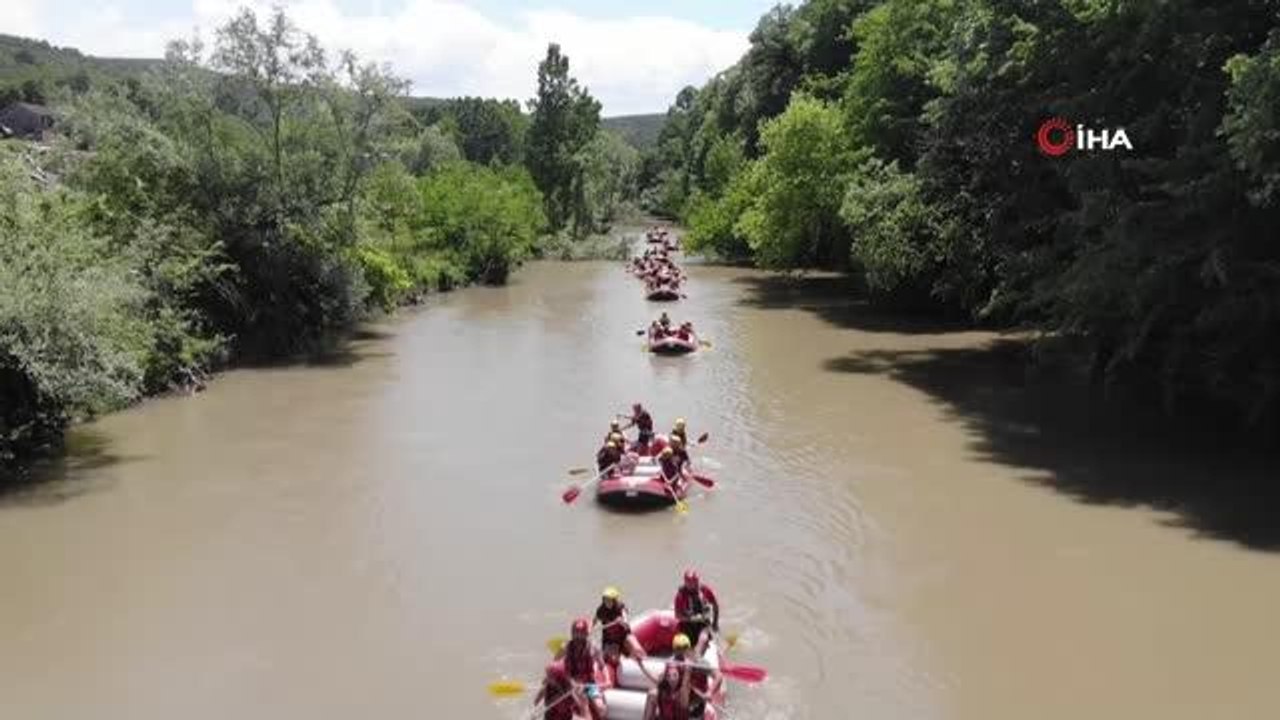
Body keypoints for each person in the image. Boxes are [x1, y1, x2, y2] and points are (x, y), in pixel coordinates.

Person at [560, 618, 607, 720]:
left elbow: (602, 666)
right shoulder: (566, 647)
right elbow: (558, 666)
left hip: (589, 684)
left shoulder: (593, 647)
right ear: (572, 633)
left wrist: (607, 680)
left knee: (601, 708)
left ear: (586, 634)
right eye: (576, 632)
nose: (578, 635)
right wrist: (572, 683)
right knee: (584, 706)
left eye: (581, 633)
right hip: (573, 684)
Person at [594, 586, 646, 663]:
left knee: (636, 648)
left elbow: (625, 620)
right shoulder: (601, 610)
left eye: (609, 600)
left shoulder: (621, 608)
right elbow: (594, 620)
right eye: (605, 600)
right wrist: (590, 628)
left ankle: (641, 660)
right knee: (612, 659)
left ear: (614, 600)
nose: (607, 602)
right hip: (610, 640)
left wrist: (622, 621)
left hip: (624, 637)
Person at [673, 570, 720, 657]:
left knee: (704, 637)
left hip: (703, 623)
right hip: (686, 623)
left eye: (695, 581)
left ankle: (697, 656)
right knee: (680, 644)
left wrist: (715, 623)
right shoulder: (680, 595)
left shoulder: (705, 590)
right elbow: (677, 615)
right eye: (690, 582)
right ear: (685, 582)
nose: (693, 584)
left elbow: (715, 605)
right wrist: (692, 618)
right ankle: (682, 659)